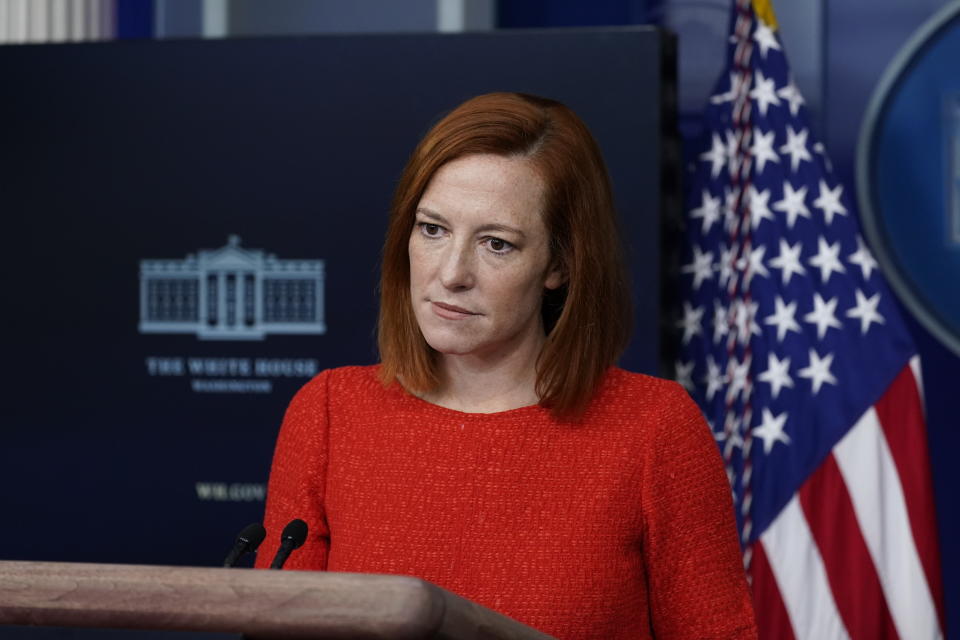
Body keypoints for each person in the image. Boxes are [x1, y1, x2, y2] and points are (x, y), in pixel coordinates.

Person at [255, 92, 757, 639]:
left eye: (496, 244)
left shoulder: (654, 428)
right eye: (433, 229)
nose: (451, 274)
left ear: (559, 265)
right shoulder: (329, 412)